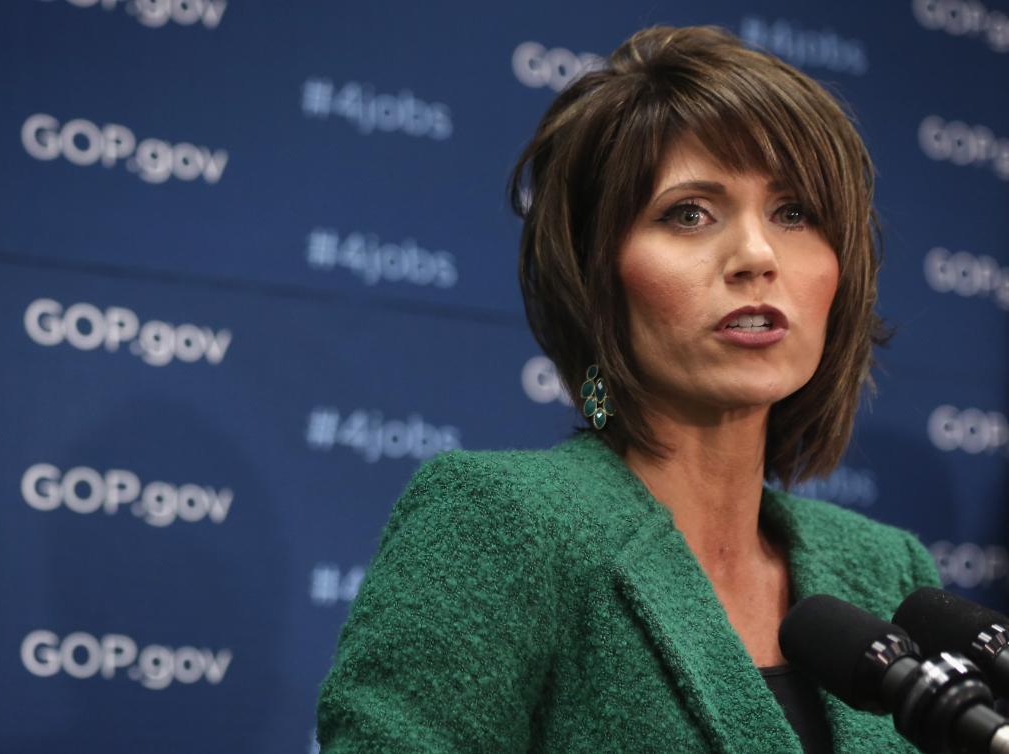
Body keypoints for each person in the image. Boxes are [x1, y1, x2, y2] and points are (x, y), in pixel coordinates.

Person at [316, 25, 940, 753]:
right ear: (595, 277)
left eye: (794, 213)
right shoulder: (502, 526)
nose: (756, 255)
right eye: (689, 213)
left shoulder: (888, 572)